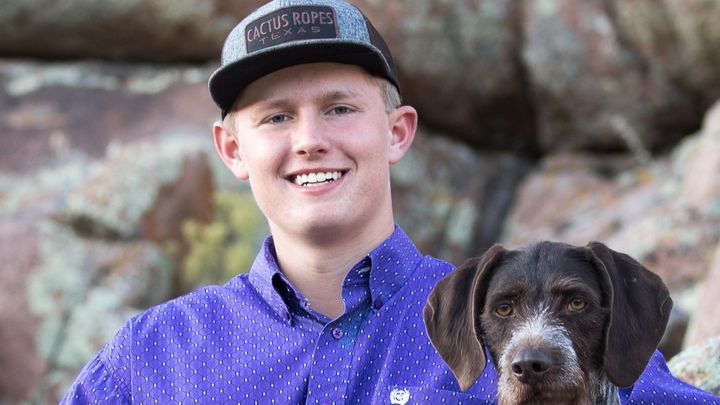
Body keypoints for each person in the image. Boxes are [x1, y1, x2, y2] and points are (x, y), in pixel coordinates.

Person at [62, 0, 720, 403]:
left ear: (398, 132)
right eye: (276, 117)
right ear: (232, 149)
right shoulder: (153, 354)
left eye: (339, 108)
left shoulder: (496, 324)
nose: (310, 140)